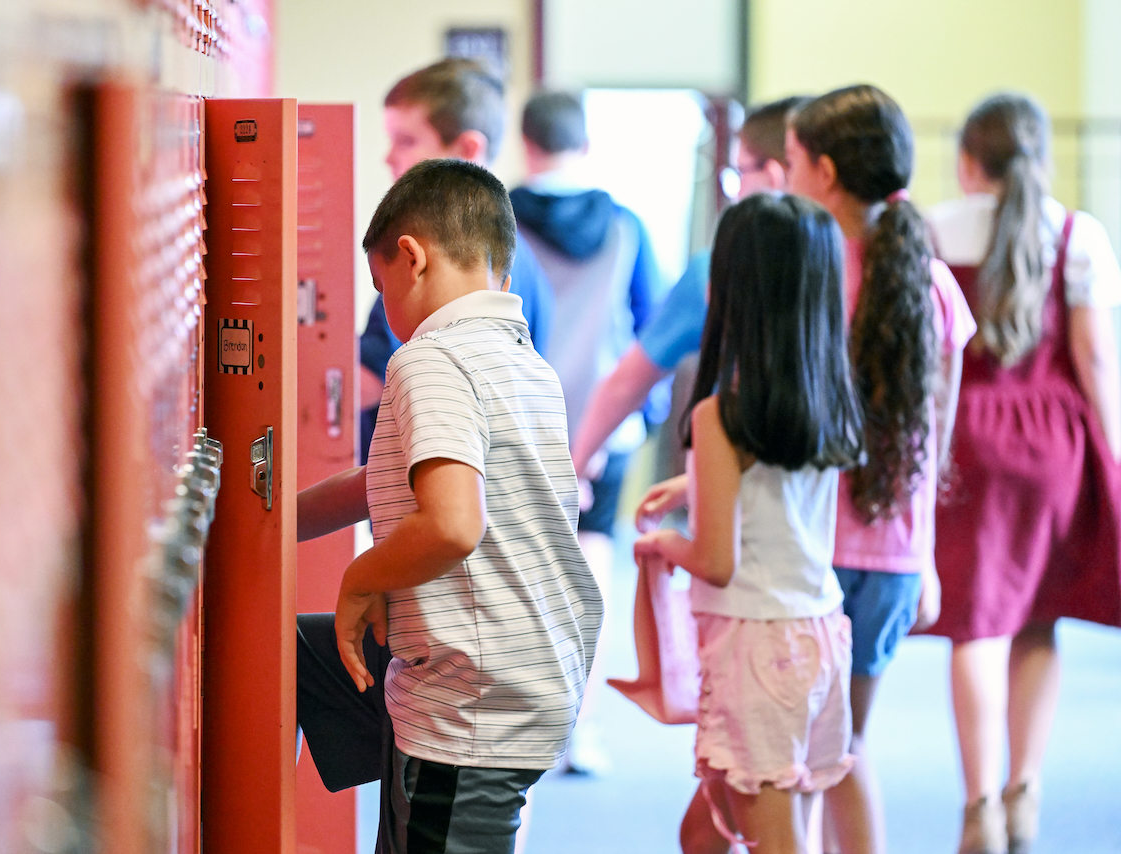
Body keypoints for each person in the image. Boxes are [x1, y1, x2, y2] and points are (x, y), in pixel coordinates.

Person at [296, 159, 604, 854]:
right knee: (296, 654)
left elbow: (453, 524)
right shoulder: (521, 360)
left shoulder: (430, 359)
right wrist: (270, 521)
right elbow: (382, 480)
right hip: (524, 670)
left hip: (475, 707)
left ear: (410, 258)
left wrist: (361, 577)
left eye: (381, 291)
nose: (387, 314)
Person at [633, 192, 864, 854]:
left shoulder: (721, 415)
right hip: (815, 636)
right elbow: (776, 491)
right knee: (705, 832)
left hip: (753, 647)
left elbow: (714, 560)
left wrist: (663, 545)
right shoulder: (826, 399)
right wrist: (696, 481)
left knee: (772, 839)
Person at [783, 85, 977, 854]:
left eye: (791, 162)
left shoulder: (810, 273)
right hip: (891, 561)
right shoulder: (933, 284)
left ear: (824, 172)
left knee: (797, 757)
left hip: (809, 555)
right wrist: (922, 556)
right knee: (847, 747)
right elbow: (936, 441)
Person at [926, 93, 1121, 854]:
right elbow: (1095, 358)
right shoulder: (1079, 235)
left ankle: (978, 802)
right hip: (1052, 446)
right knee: (1038, 618)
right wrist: (1110, 454)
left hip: (965, 441)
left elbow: (924, 350)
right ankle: (1025, 787)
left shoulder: (934, 230)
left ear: (968, 161)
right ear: (1039, 160)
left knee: (975, 625)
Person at [508, 90, 664, 774]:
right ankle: (583, 726)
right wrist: (638, 418)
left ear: (527, 141)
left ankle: (522, 719)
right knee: (593, 562)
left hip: (518, 422)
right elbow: (654, 329)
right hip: (605, 428)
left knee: (520, 568)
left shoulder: (496, 217)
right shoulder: (626, 223)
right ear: (586, 145)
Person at [569, 96, 808, 477]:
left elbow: (627, 383)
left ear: (774, 177)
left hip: (741, 504)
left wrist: (576, 465)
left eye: (739, 173)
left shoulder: (721, 273)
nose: (734, 191)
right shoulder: (863, 269)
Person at [358, 57, 555, 462]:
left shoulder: (427, 261)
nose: (389, 158)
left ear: (467, 150)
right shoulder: (519, 256)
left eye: (406, 141)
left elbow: (362, 382)